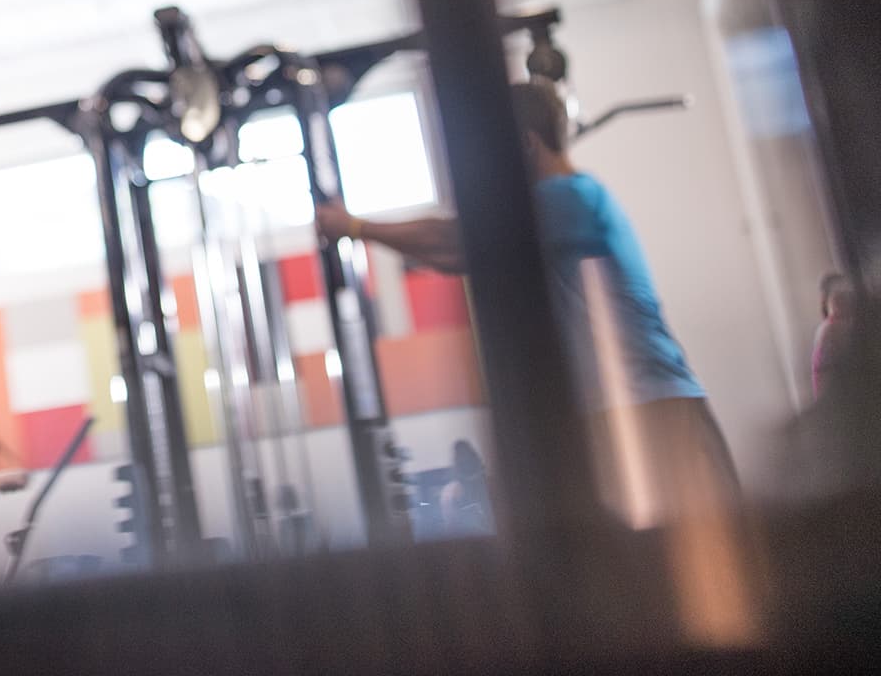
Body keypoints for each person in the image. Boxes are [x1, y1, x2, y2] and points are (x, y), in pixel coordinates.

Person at [315, 77, 738, 522]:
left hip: (654, 414)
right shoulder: (560, 206)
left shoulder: (567, 199)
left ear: (525, 144)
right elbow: (457, 254)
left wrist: (357, 228)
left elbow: (454, 241)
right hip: (623, 413)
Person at [812, 272, 855, 400]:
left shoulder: (838, 325)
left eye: (847, 296)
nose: (845, 301)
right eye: (839, 297)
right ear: (826, 301)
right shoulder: (831, 328)